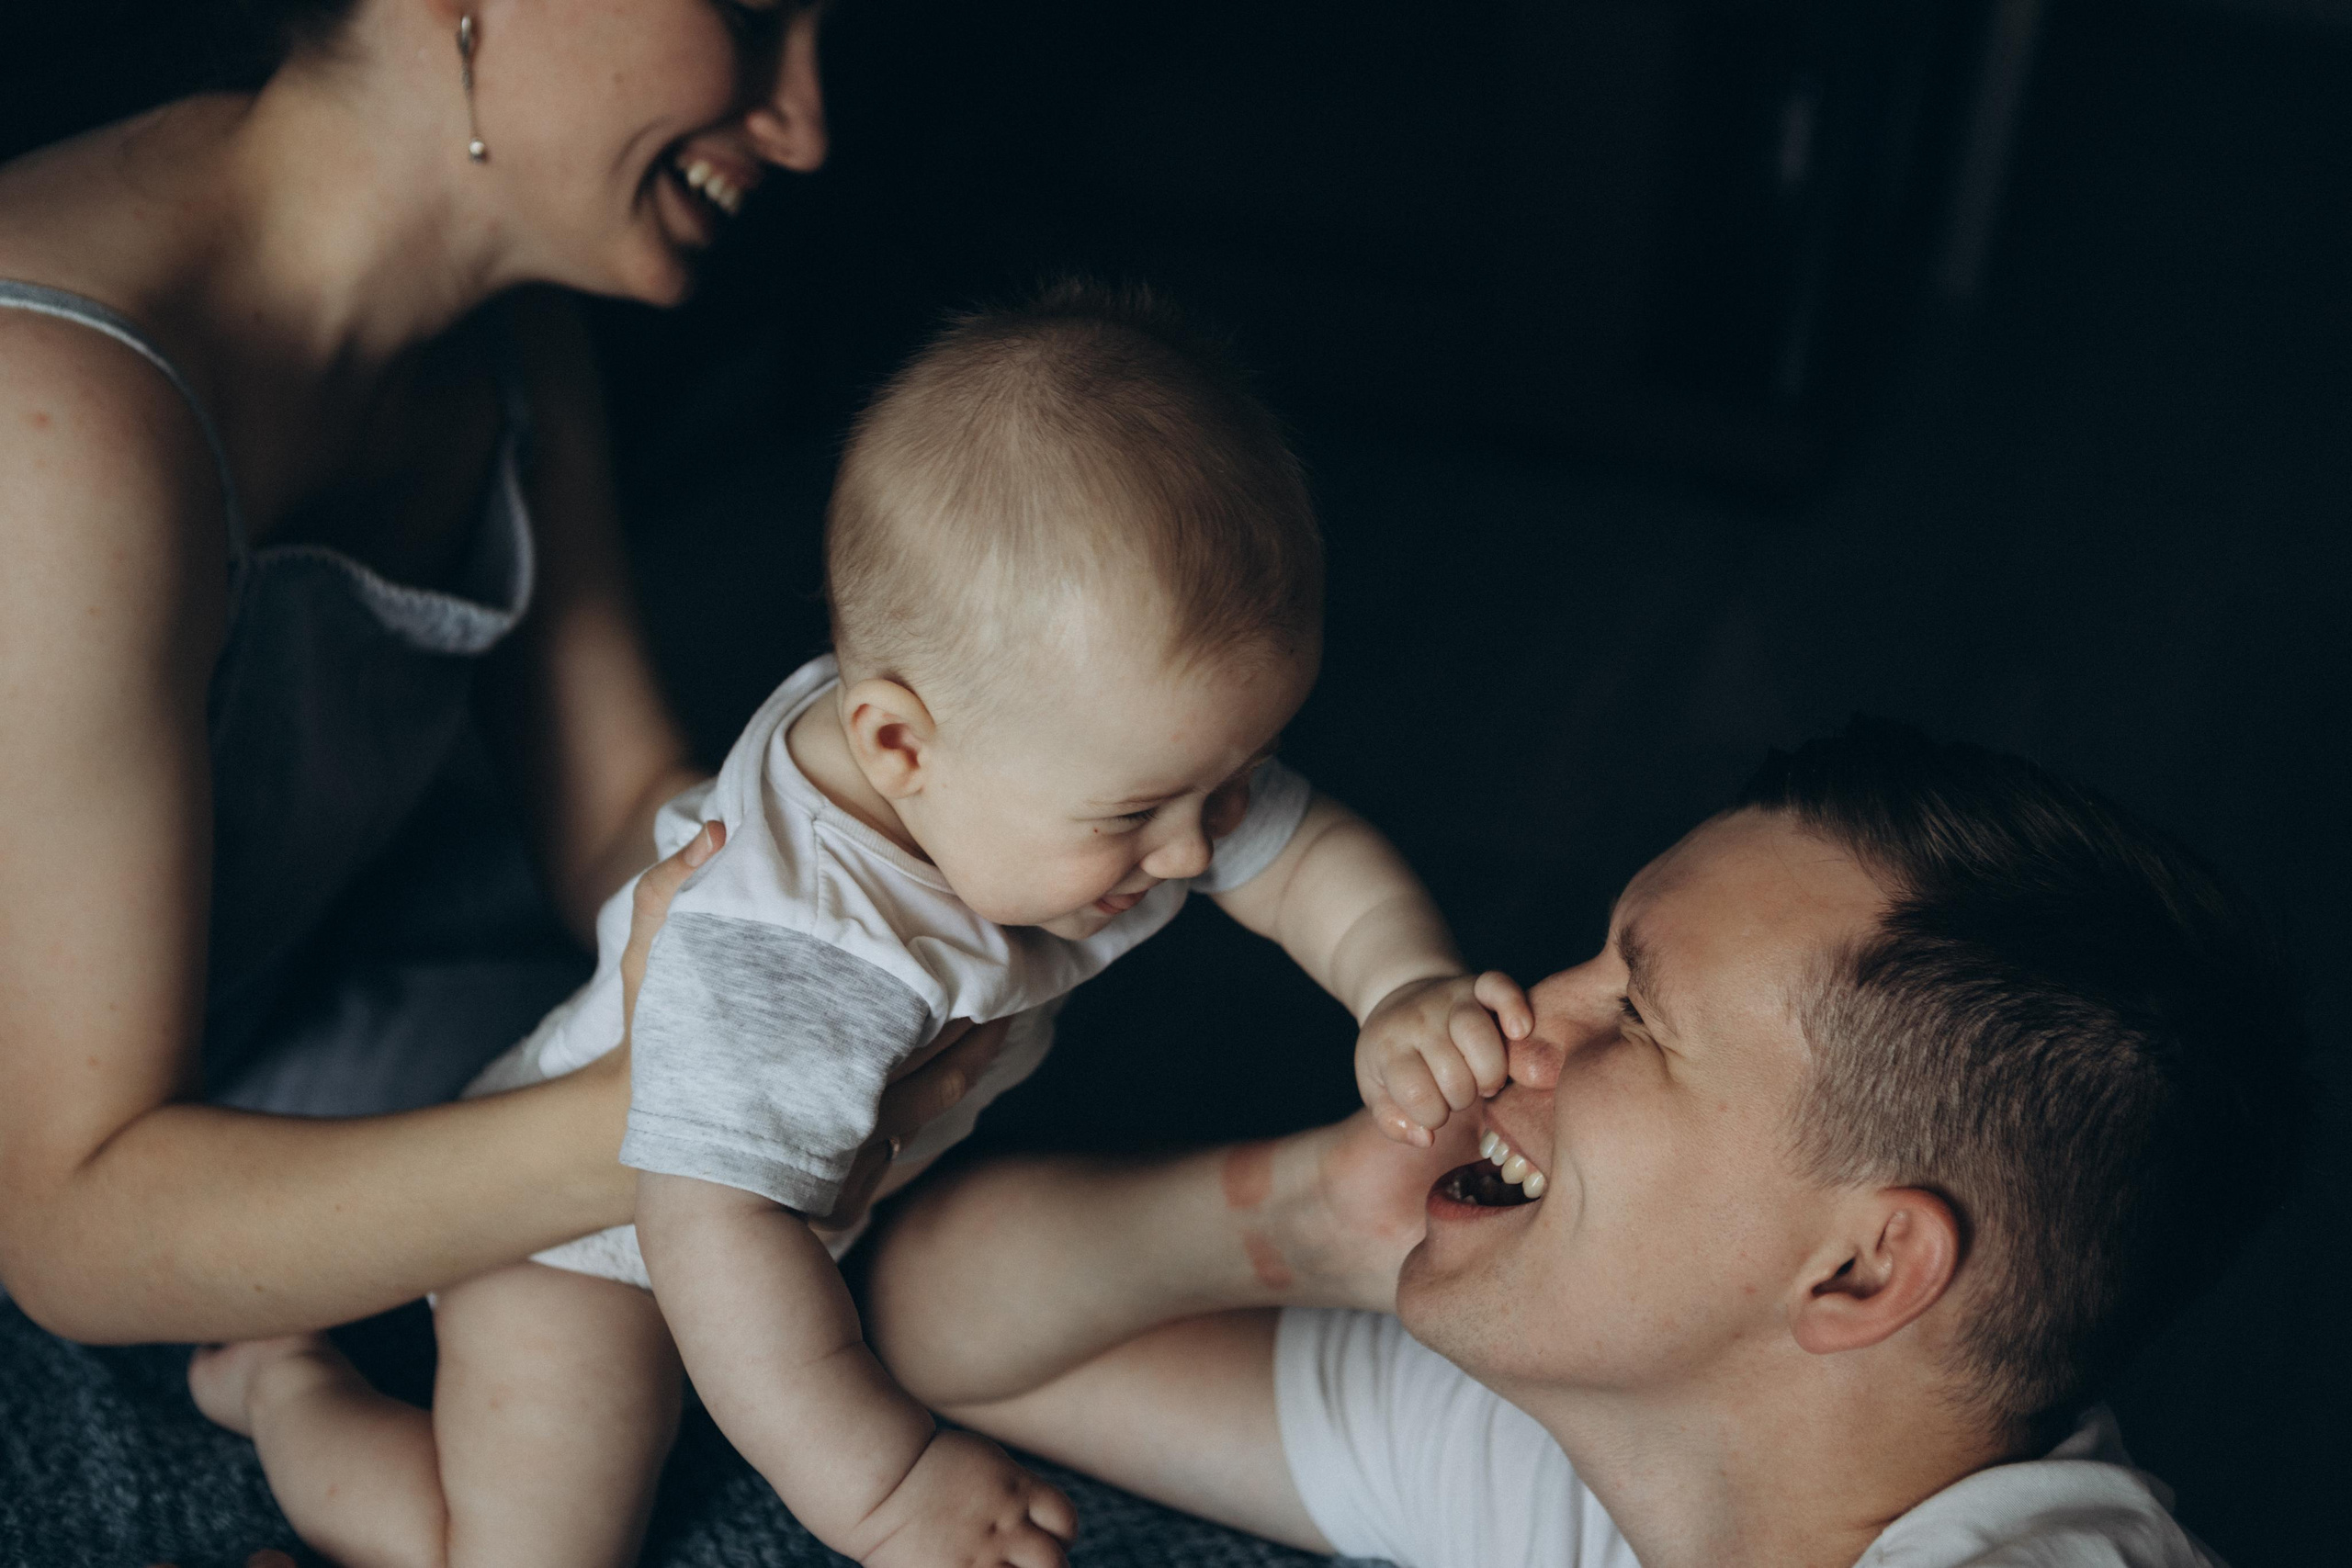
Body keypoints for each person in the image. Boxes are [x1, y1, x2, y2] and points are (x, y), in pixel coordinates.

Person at [186, 285, 1531, 1568]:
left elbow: (1300, 852)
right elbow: (717, 1247)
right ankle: (286, 1386)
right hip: (588, 1259)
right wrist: (888, 1489)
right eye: (1139, 816)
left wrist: (1399, 982)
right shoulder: (792, 950)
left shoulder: (1037, 734)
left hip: (827, 1176)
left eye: (1227, 781)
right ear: (897, 741)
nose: (1192, 847)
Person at [0, 0, 1014, 1363]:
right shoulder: (51, 428)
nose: (804, 127)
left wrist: (882, 889)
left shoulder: (511, 337)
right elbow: (69, 1229)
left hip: (283, 989)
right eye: (754, 16)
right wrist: (675, 1113)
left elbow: (616, 819)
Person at [864, 723, 2310, 1568]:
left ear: (1864, 1270)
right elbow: (943, 1317)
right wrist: (1301, 1220)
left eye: (1636, 1011)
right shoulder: (1625, 1443)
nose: (1516, 1013)